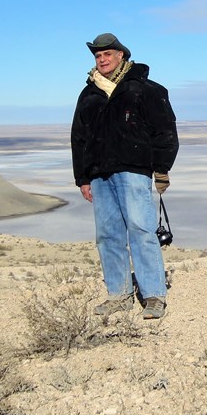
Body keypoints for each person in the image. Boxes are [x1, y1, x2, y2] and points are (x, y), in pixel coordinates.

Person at [71, 33, 179, 320]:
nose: (102, 59)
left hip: (134, 171)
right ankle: (119, 295)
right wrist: (82, 177)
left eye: (107, 54)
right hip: (99, 175)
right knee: (108, 236)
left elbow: (165, 130)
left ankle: (154, 295)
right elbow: (78, 138)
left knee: (142, 231)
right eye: (98, 55)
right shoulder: (89, 94)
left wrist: (162, 169)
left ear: (121, 56)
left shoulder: (144, 89)